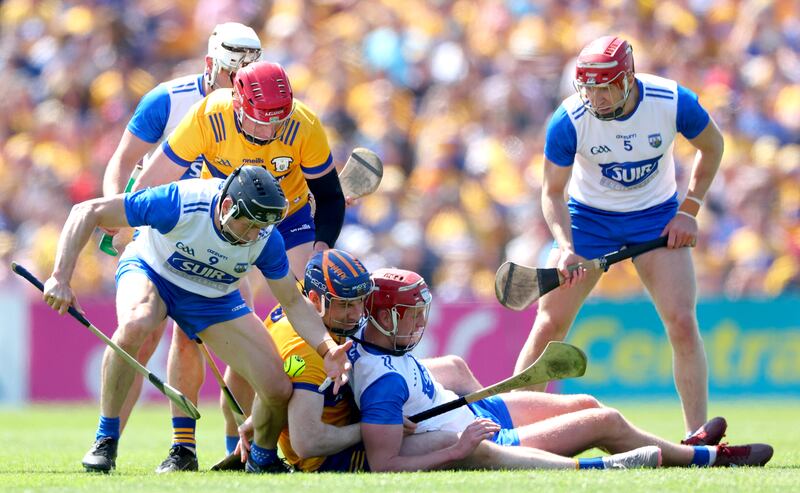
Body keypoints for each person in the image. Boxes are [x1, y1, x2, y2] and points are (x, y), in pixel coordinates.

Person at [41, 166, 351, 473]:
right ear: (228, 207)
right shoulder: (180, 201)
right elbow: (87, 210)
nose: (256, 235)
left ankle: (261, 458)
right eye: (251, 225)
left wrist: (327, 348)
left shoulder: (266, 239)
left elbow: (294, 302)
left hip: (212, 296)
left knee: (277, 388)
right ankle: (105, 439)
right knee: (137, 323)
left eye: (262, 227)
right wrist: (60, 276)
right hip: (154, 272)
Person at [132, 59, 348, 463]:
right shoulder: (209, 115)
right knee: (191, 332)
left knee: (314, 310)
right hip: (228, 220)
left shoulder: (303, 124)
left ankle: (298, 428)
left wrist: (320, 251)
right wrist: (132, 223)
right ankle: (185, 446)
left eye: (277, 121)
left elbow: (331, 198)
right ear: (237, 102)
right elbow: (151, 180)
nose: (269, 131)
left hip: (290, 219)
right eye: (260, 120)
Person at [348, 268, 773, 471]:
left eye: (422, 312)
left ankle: (685, 444)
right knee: (602, 420)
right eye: (411, 314)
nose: (420, 322)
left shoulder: (382, 347)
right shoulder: (383, 382)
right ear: (383, 315)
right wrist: (457, 450)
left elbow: (440, 371)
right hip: (485, 436)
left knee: (585, 401)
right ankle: (708, 457)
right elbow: (384, 463)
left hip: (480, 414)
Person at [514, 35, 725, 436]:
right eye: (589, 88)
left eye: (607, 86)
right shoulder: (569, 119)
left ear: (628, 78)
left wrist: (689, 210)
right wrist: (564, 246)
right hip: (589, 220)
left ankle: (698, 436)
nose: (598, 97)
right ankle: (511, 430)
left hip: (656, 217)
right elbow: (552, 192)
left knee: (682, 321)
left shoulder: (671, 100)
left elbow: (713, 145)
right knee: (549, 324)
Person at [99, 22, 263, 473]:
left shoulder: (261, 110)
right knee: (141, 333)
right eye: (234, 75)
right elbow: (123, 160)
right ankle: (107, 441)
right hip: (158, 236)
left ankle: (212, 448)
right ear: (212, 65)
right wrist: (119, 218)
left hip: (222, 245)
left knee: (207, 340)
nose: (242, 87)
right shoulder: (168, 99)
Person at [222, 248, 484, 472]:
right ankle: (505, 444)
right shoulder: (308, 352)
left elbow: (279, 383)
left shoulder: (297, 308)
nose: (357, 314)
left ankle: (489, 416)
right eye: (346, 305)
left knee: (453, 368)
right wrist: (373, 428)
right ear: (315, 300)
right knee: (447, 440)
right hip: (329, 459)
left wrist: (258, 420)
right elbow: (307, 442)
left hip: (345, 411)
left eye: (360, 302)